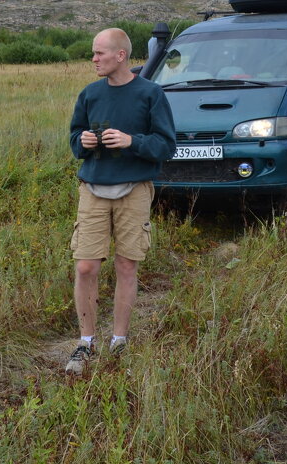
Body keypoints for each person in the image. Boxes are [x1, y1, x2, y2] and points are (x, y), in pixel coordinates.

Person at [64, 27, 176, 374]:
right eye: (93, 53)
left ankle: (119, 342)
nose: (94, 59)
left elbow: (166, 146)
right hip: (93, 188)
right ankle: (86, 343)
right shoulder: (90, 94)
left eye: (100, 53)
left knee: (127, 265)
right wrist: (83, 141)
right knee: (86, 266)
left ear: (120, 56)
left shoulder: (150, 94)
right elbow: (73, 142)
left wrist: (131, 141)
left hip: (135, 189)